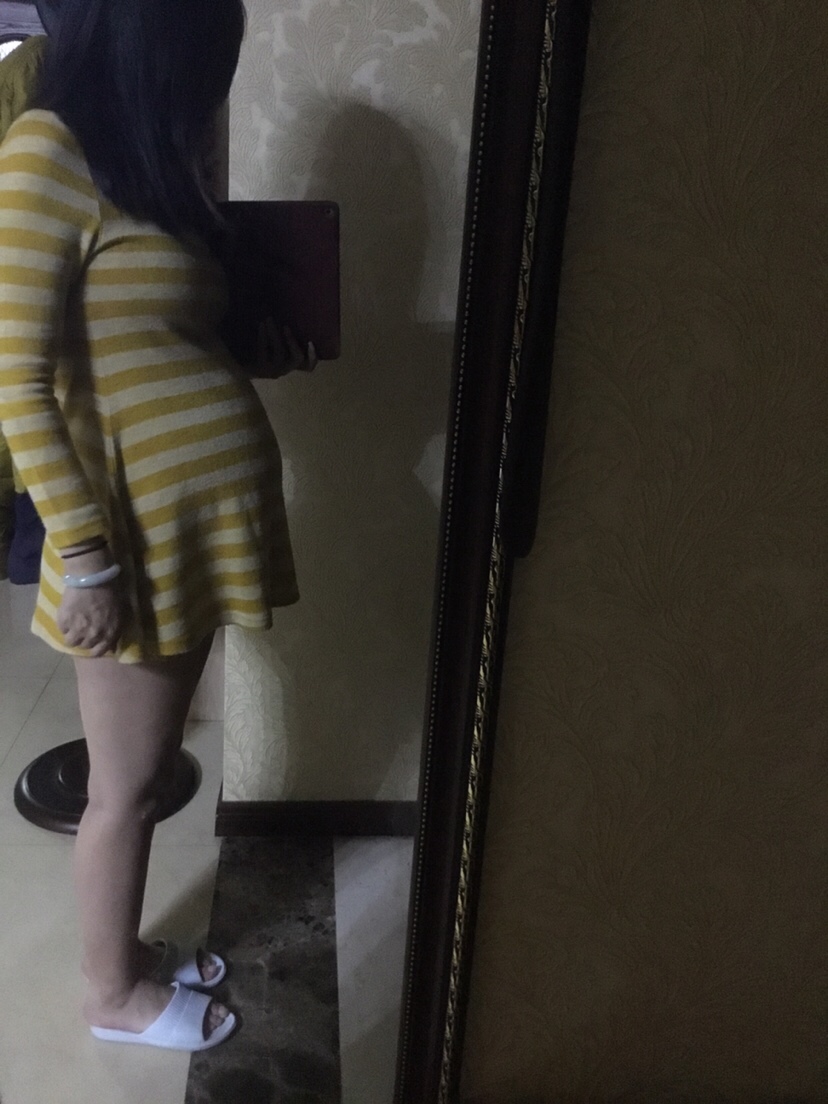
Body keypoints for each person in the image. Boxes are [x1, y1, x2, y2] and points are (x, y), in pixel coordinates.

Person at [0, 0, 315, 1052]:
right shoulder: (46, 152)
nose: (206, 88)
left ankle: (127, 958)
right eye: (199, 60)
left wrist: (255, 349)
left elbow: (164, 342)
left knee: (147, 764)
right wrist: (85, 559)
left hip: (189, 530)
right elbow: (15, 385)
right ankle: (111, 996)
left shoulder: (150, 169)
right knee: (127, 788)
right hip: (128, 542)